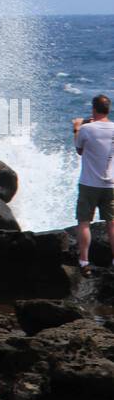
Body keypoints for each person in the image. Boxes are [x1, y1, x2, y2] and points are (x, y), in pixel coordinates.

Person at [72, 94, 114, 275]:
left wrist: (76, 129)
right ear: (108, 109)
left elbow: (79, 150)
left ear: (93, 109)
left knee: (84, 222)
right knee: (112, 224)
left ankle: (84, 261)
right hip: (111, 184)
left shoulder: (86, 130)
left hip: (89, 183)